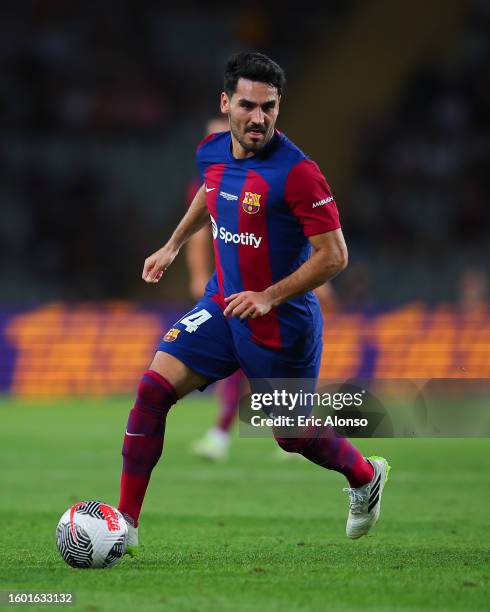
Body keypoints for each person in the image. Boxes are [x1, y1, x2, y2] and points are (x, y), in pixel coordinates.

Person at [118, 52, 390, 554]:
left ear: (278, 109)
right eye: (247, 105)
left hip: (281, 322)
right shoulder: (212, 151)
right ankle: (125, 525)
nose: (258, 118)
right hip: (223, 305)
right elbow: (210, 189)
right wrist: (174, 243)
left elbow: (335, 256)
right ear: (226, 104)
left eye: (269, 108)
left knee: (290, 436)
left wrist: (269, 296)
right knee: (153, 389)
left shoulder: (299, 174)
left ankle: (365, 474)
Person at [185, 117, 246, 461]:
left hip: (269, 285)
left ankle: (298, 430)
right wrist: (199, 273)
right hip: (231, 285)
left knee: (274, 359)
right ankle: (220, 432)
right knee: (242, 356)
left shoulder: (263, 177)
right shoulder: (206, 183)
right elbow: (198, 231)